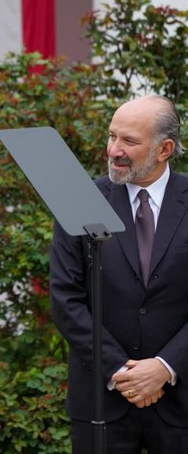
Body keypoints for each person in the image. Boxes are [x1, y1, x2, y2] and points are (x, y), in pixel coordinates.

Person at [50, 95, 188, 453]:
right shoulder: (79, 199)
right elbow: (66, 299)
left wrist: (165, 366)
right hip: (101, 401)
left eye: (129, 141)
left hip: (182, 402)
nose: (114, 150)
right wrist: (120, 370)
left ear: (165, 149)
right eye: (112, 136)